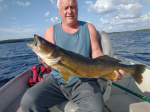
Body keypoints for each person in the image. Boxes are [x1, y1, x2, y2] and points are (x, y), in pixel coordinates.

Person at [21, 0, 126, 112]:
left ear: (77, 8)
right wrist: (44, 61)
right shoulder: (50, 31)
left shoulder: (89, 27)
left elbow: (97, 54)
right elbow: (48, 66)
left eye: (73, 7)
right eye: (65, 8)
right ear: (58, 10)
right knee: (28, 102)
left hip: (84, 81)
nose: (69, 11)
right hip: (56, 81)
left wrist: (111, 70)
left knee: (96, 109)